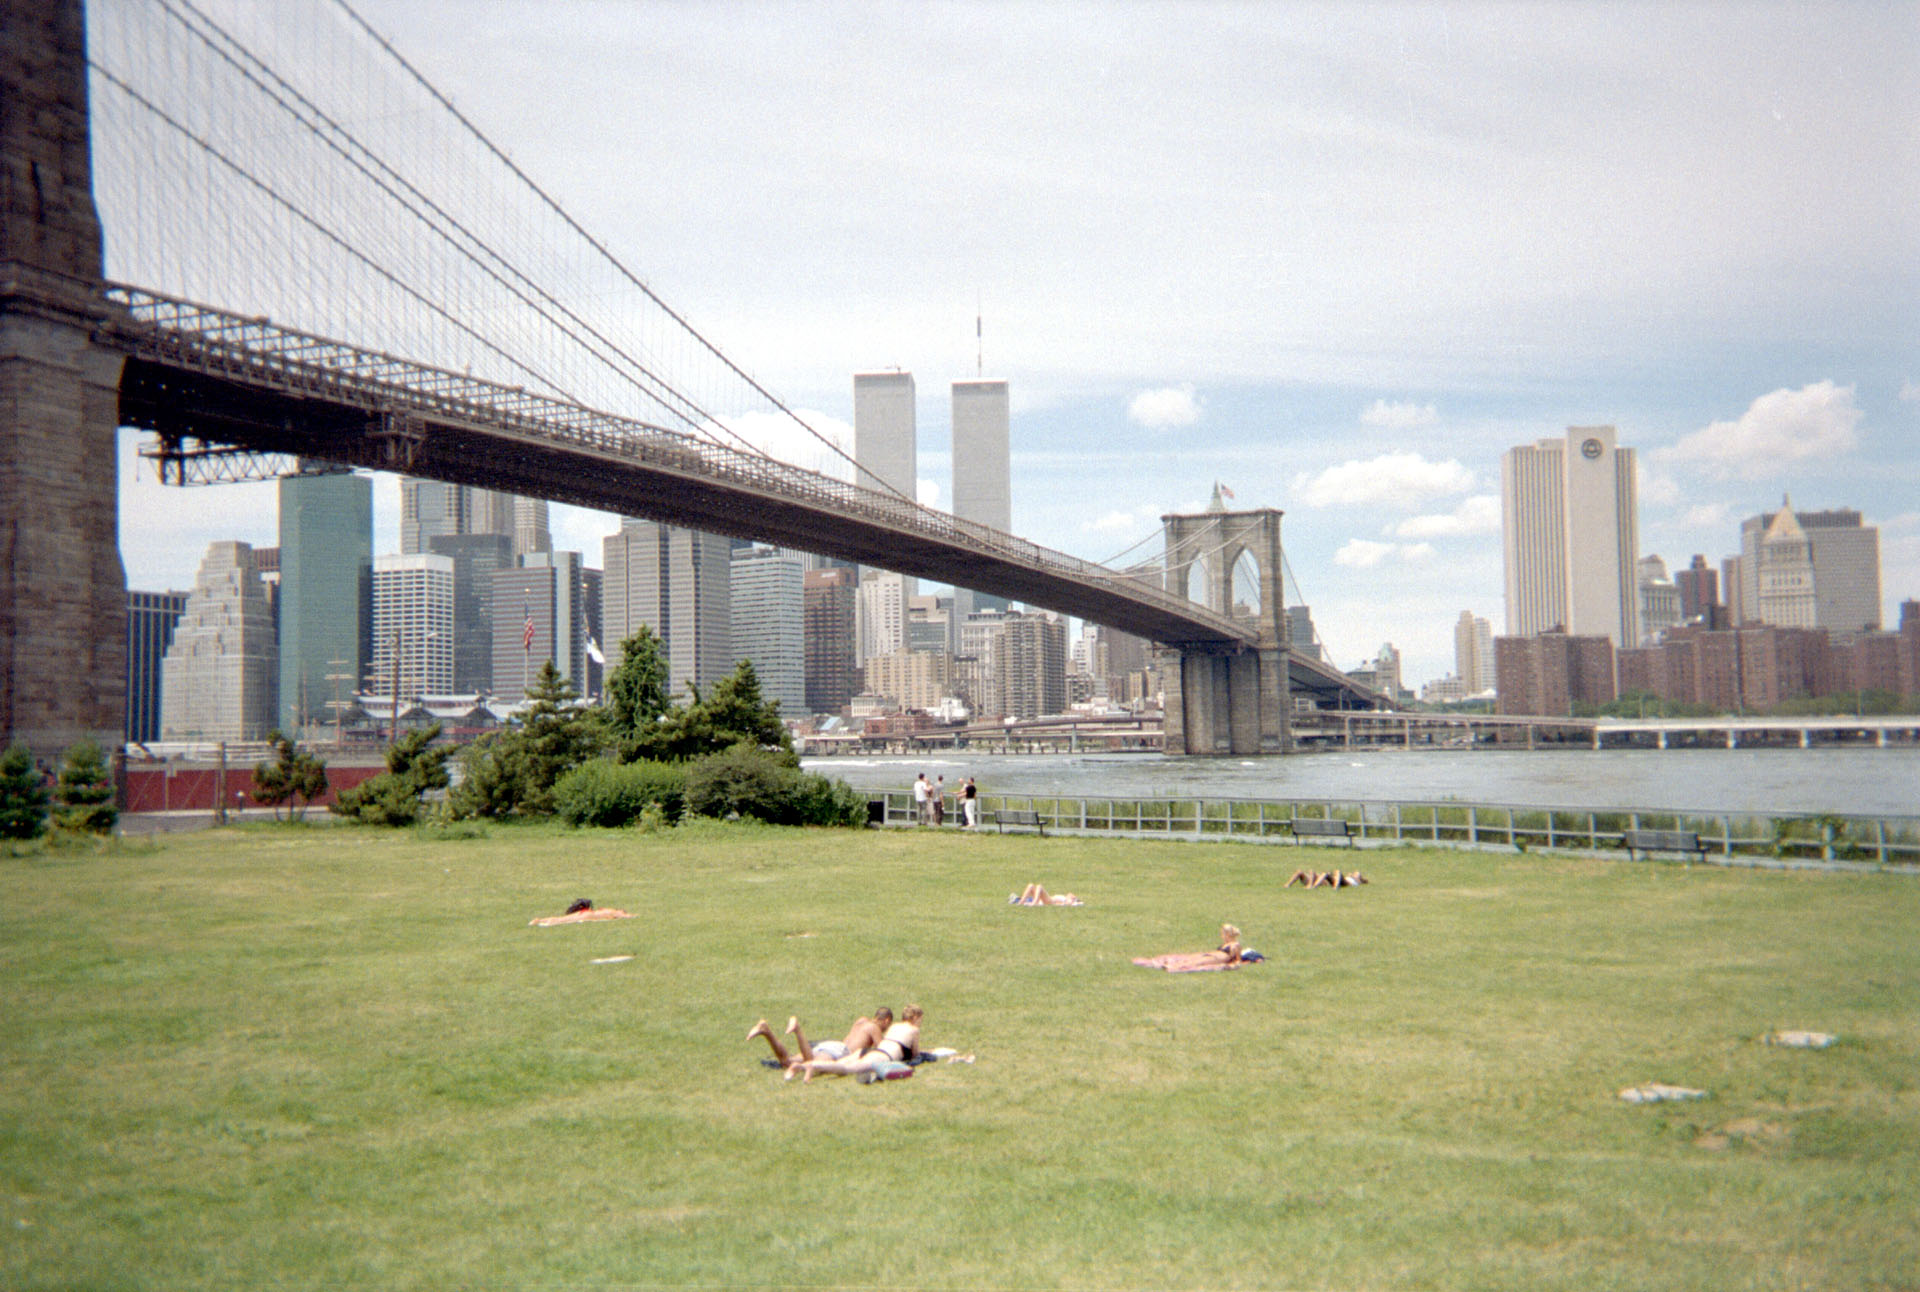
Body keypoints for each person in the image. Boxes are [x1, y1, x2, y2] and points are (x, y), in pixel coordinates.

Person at [788, 1005, 923, 1083]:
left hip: (867, 1051)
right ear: (915, 1018)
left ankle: (800, 1066)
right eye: (920, 1019)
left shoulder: (894, 1026)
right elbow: (915, 1055)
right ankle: (811, 1065)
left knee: (839, 1064)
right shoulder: (914, 1030)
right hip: (882, 1056)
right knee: (847, 1069)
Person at [747, 1009, 890, 1070]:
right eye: (888, 1025)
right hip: (840, 1052)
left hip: (832, 1045)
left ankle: (766, 1031)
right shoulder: (874, 1028)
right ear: (886, 1020)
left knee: (787, 1062)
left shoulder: (862, 1020)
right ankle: (797, 1030)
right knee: (811, 1065)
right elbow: (882, 1052)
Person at [1132, 923, 1244, 972]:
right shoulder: (1225, 944)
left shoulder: (1235, 945)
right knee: (1192, 959)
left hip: (1217, 959)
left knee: (1196, 963)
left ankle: (1172, 967)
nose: (1222, 936)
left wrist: (1233, 964)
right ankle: (1165, 964)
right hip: (1212, 954)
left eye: (1223, 934)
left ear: (1229, 934)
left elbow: (1237, 959)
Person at [1010, 883, 1082, 906]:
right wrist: (1073, 898)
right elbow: (1070, 894)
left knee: (1039, 887)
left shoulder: (1066, 902)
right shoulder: (1066, 897)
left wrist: (1073, 900)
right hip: (1044, 899)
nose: (1071, 896)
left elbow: (1069, 900)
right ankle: (1020, 902)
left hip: (1050, 901)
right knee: (1031, 885)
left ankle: (1035, 903)